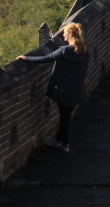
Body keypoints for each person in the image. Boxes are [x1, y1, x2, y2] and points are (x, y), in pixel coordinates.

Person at [16, 22, 89, 152]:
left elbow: (46, 58)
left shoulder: (65, 51)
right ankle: (59, 139)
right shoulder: (84, 52)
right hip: (76, 89)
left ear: (70, 34)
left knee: (64, 116)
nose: (63, 34)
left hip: (64, 89)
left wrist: (26, 58)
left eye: (65, 32)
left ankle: (65, 143)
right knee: (66, 115)